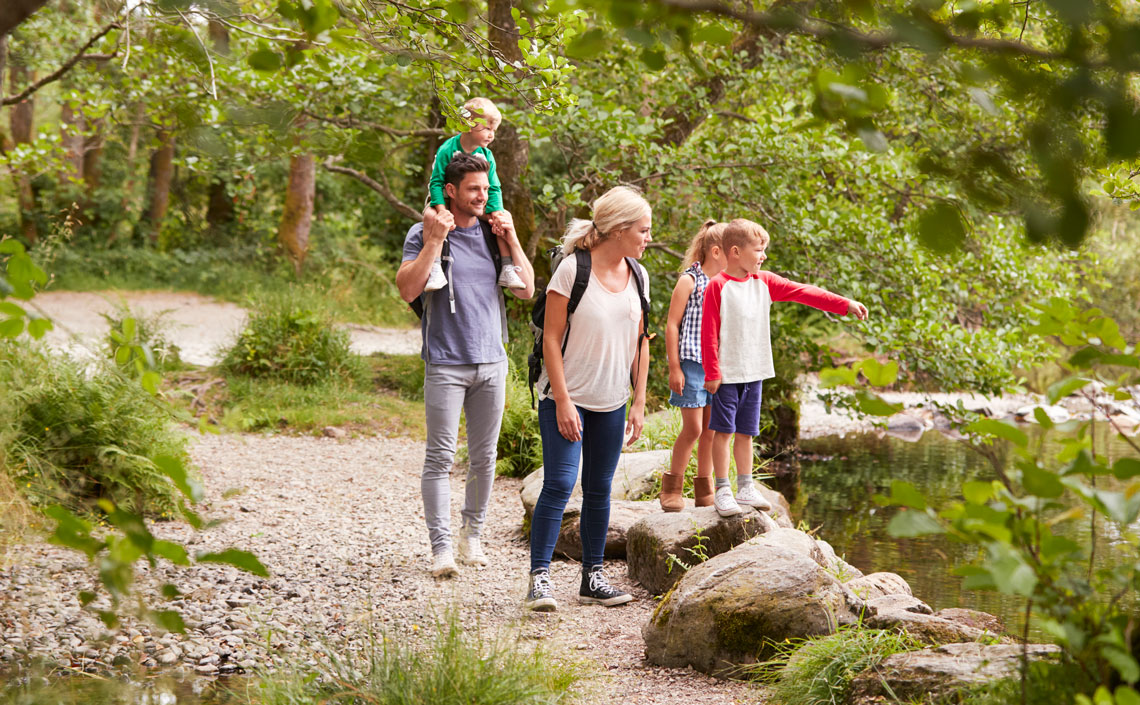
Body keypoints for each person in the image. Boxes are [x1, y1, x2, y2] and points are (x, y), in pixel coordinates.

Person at [397, 152, 535, 578]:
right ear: (451, 191)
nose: (482, 196)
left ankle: (471, 534)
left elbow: (527, 291)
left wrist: (511, 239)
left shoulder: (495, 236)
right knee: (439, 458)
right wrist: (436, 241)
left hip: (492, 362)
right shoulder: (422, 233)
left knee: (484, 457)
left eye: (486, 188)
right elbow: (406, 289)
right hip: (445, 362)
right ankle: (441, 548)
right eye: (473, 189)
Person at [525, 186, 652, 612]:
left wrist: (638, 401)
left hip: (613, 400)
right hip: (567, 395)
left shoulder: (639, 274)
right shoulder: (572, 271)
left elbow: (641, 340)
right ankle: (539, 580)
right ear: (618, 230)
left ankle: (592, 579)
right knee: (561, 482)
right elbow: (552, 340)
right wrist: (561, 401)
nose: (648, 237)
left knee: (599, 488)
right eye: (643, 230)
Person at [701, 218, 868, 518]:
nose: (763, 255)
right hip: (727, 375)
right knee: (722, 432)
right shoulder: (718, 286)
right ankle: (722, 489)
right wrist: (712, 372)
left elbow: (803, 291)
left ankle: (745, 487)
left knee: (746, 433)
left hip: (755, 372)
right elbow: (709, 332)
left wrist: (845, 304)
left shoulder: (763, 282)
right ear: (736, 252)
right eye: (759, 250)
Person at [658, 220, 727, 512]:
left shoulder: (727, 282)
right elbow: (672, 325)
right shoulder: (691, 280)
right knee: (694, 429)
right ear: (715, 251)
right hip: (691, 365)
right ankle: (671, 488)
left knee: (711, 429)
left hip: (717, 367)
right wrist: (675, 367)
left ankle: (704, 489)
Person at [424, 97, 525, 292]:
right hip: (444, 198)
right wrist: (442, 210)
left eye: (494, 130)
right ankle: (435, 266)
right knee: (430, 216)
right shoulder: (447, 149)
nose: (492, 135)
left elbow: (494, 187)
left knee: (503, 219)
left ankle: (507, 266)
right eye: (487, 129)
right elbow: (436, 182)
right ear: (469, 125)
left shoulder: (487, 155)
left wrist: (496, 211)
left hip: (477, 200)